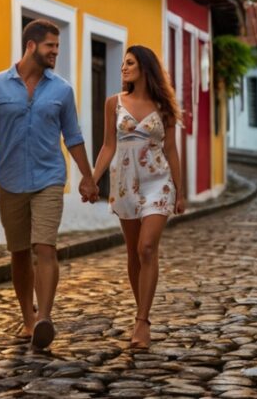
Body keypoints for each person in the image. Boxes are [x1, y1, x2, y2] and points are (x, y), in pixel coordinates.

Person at [0, 19, 100, 350]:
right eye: (50, 46)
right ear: (31, 46)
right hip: (10, 179)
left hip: (49, 178)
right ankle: (27, 319)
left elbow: (73, 137)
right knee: (19, 252)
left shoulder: (62, 90)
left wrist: (87, 177)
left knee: (45, 246)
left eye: (57, 46)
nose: (55, 52)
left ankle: (44, 318)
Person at [91, 45, 185, 349]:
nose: (123, 68)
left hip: (158, 183)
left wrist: (179, 192)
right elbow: (108, 146)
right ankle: (142, 308)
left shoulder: (164, 107)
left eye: (129, 63)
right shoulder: (114, 103)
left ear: (144, 67)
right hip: (124, 185)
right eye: (123, 63)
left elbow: (171, 150)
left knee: (147, 248)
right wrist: (92, 179)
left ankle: (142, 321)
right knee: (133, 252)